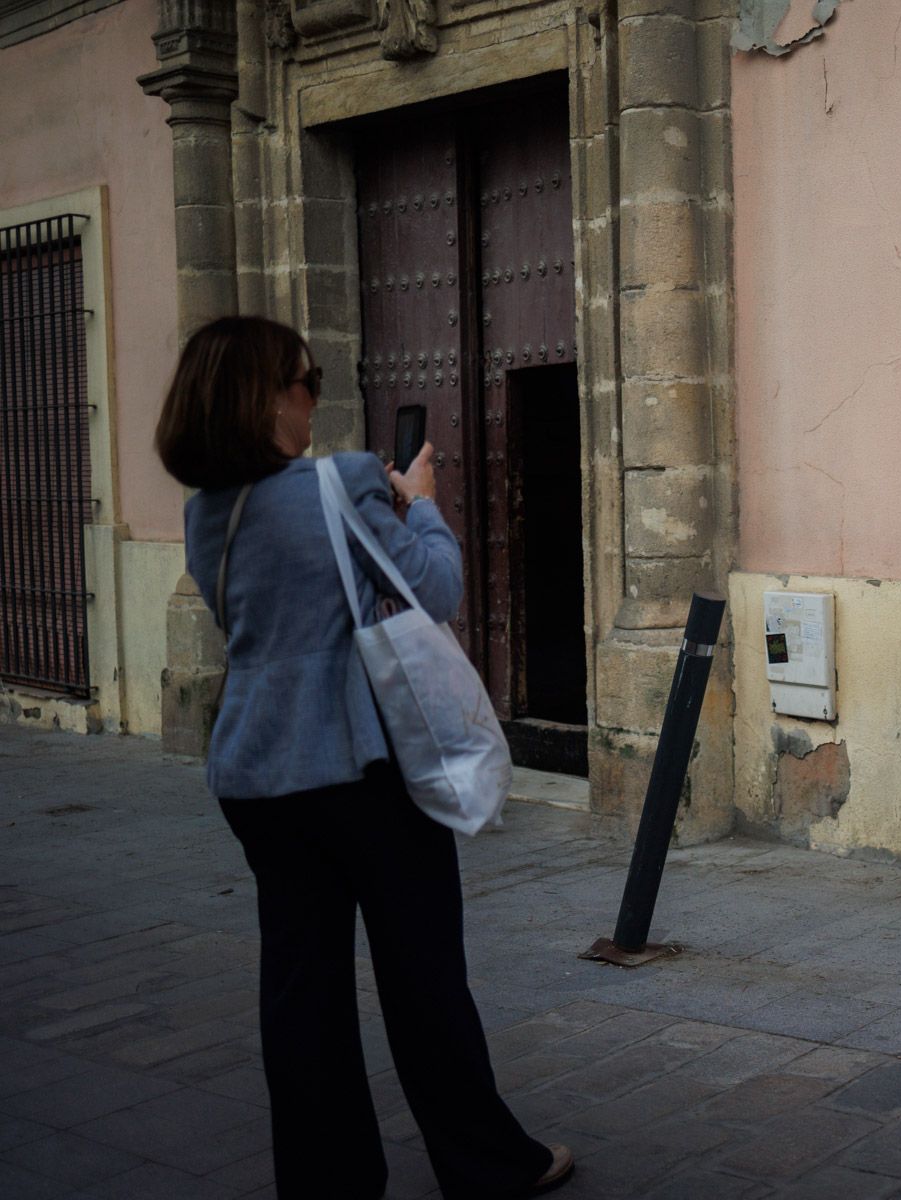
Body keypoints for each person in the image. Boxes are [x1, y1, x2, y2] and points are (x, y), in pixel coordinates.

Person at [154, 316, 572, 1198]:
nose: (315, 396)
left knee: (300, 992)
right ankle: (486, 1164)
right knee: (422, 978)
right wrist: (418, 503)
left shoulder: (207, 517)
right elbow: (436, 590)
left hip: (258, 774)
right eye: (306, 379)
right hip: (360, 770)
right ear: (268, 397)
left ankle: (327, 1182)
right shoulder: (336, 485)